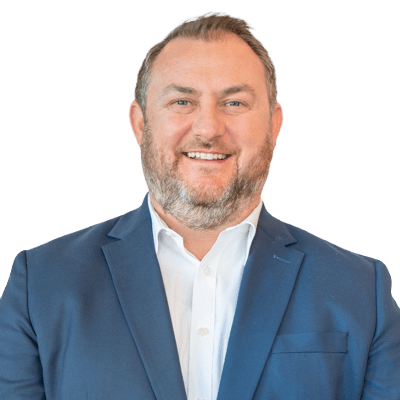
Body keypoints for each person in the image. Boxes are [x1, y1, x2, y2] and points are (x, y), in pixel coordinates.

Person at [1, 10, 399, 400]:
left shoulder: (361, 290)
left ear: (274, 124)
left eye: (235, 103)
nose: (208, 129)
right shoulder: (41, 283)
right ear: (140, 123)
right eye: (181, 102)